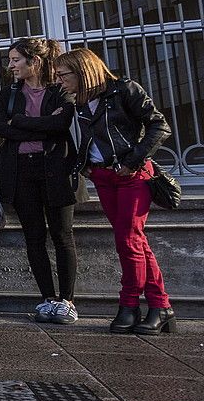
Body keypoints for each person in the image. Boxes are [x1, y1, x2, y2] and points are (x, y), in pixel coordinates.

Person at [54, 49, 175, 335]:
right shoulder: (79, 102)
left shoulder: (124, 90)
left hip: (133, 175)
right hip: (103, 177)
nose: (59, 81)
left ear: (82, 72)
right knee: (136, 242)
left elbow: (160, 125)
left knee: (129, 240)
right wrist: (85, 165)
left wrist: (134, 160)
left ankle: (129, 304)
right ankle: (160, 306)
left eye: (63, 75)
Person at [0, 38, 78, 324]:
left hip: (54, 170)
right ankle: (47, 299)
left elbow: (60, 125)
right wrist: (39, 128)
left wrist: (19, 122)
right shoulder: (9, 93)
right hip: (21, 172)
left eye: (15, 59)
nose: (11, 66)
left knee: (62, 235)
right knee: (34, 237)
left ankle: (67, 301)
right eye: (10, 60)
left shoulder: (60, 91)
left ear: (35, 62)